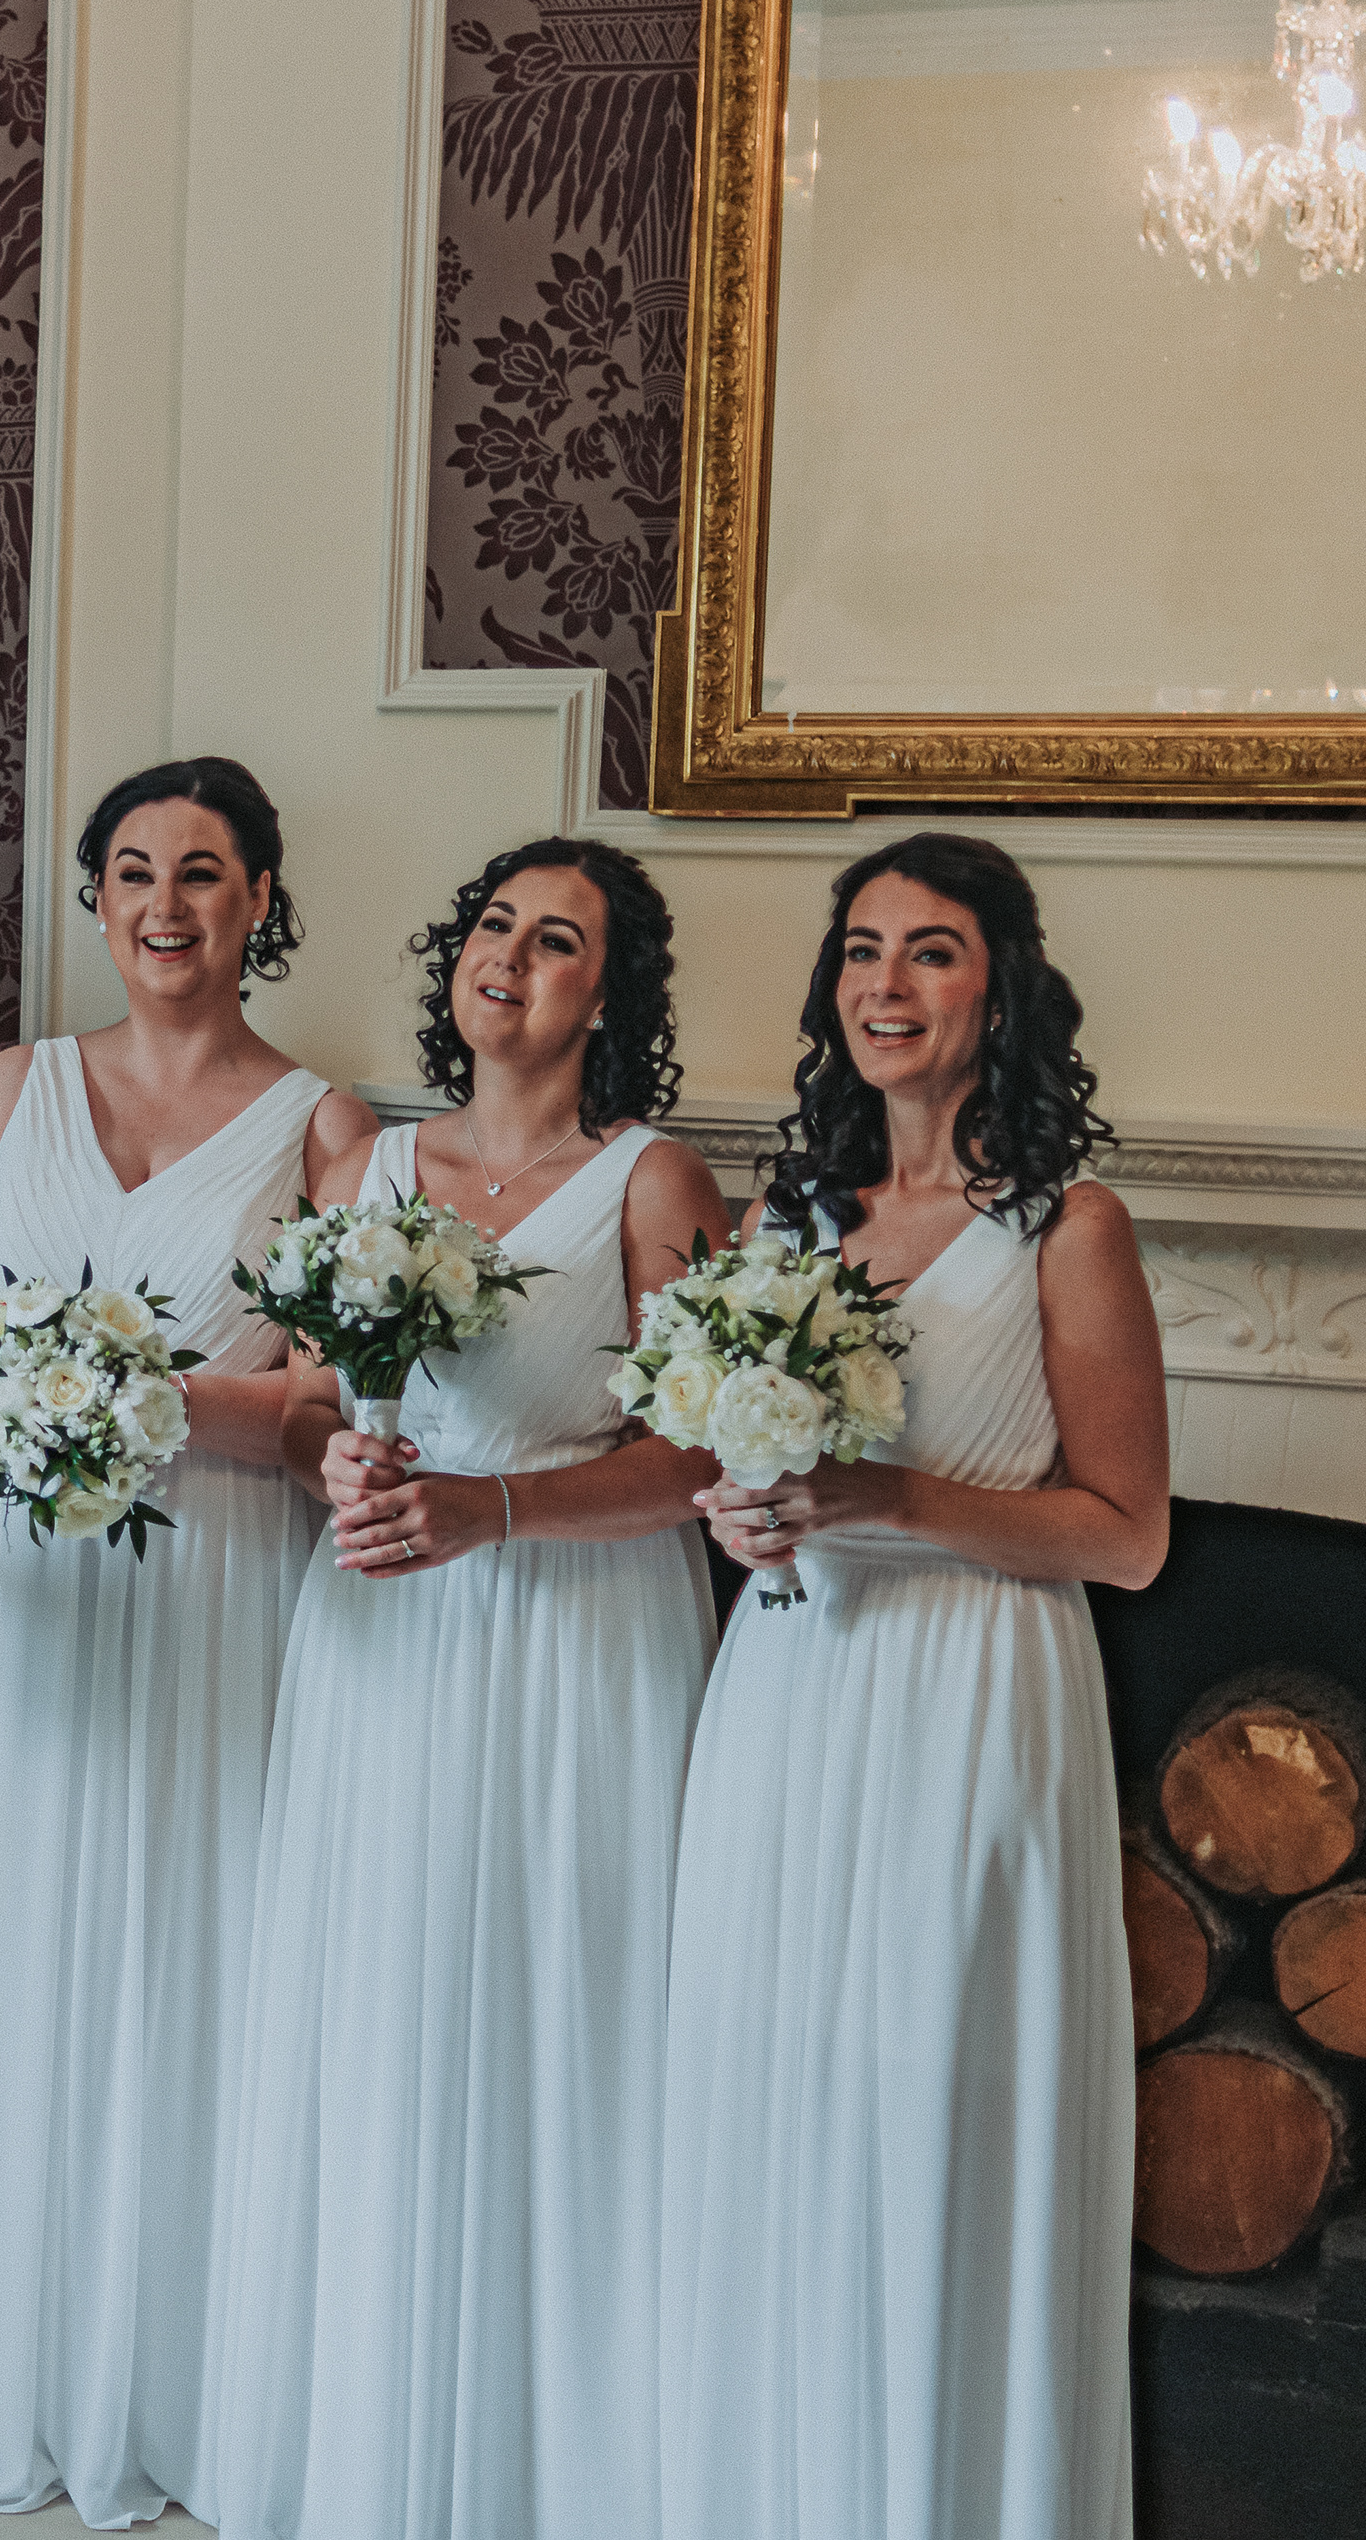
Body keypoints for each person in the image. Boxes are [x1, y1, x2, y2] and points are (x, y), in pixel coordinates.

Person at [0, 757, 378, 2527]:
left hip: (206, 1575)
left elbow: (332, 1400)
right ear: (94, 898)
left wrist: (138, 1397)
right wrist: (24, 1400)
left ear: (259, 900)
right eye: (135, 870)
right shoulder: (10, 1090)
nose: (167, 904)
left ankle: (172, 2376)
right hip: (7, 1571)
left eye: (205, 872)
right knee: (6, 1923)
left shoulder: (325, 1132)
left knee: (185, 1933)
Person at [207, 838, 727, 2538]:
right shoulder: (367, 1164)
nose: (510, 954)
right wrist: (337, 1465)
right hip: (381, 1641)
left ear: (609, 993)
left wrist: (491, 1510)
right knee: (382, 1997)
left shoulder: (651, 1182)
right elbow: (305, 1400)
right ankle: (370, 2438)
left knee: (558, 2010)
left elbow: (698, 1460)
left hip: (576, 1637)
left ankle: (553, 2466)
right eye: (496, 923)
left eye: (557, 939)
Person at [660, 831, 1167, 2540]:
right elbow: (742, 1466)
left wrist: (886, 1498)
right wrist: (748, 1514)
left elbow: (1130, 1535)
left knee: (934, 2105)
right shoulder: (782, 1219)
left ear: (1000, 990)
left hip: (969, 1696)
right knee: (776, 2089)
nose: (887, 983)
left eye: (932, 950)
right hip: (790, 1682)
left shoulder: (1066, 1230)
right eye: (862, 950)